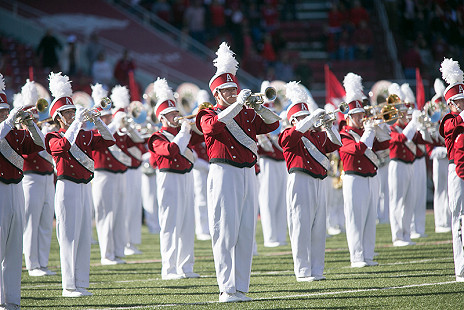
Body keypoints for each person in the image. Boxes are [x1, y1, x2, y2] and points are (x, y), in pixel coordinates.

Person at [196, 42, 280, 302]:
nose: (234, 93)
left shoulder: (245, 113)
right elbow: (211, 129)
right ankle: (226, 289)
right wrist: (237, 106)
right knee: (225, 231)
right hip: (224, 173)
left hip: (248, 173)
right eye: (229, 90)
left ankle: (241, 288)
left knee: (245, 232)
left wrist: (257, 106)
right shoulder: (206, 113)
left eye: (235, 89)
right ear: (217, 94)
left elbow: (273, 123)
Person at [45, 72, 115, 297]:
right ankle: (68, 286)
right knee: (68, 237)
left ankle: (81, 283)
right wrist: (77, 123)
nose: (71, 114)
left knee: (84, 235)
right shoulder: (52, 135)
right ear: (57, 117)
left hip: (85, 186)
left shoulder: (84, 134)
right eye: (66, 112)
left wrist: (97, 120)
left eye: (72, 111)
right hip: (67, 187)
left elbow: (108, 140)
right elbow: (63, 146)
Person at [279, 81, 341, 281]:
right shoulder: (288, 134)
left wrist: (329, 127)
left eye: (308, 116)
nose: (308, 120)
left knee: (318, 228)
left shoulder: (316, 136)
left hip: (318, 182)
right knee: (300, 226)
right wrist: (311, 117)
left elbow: (336, 143)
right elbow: (291, 138)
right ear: (294, 120)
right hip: (300, 180)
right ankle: (303, 271)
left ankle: (317, 270)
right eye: (303, 117)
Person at [148, 77, 201, 280]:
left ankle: (186, 267)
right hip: (168, 179)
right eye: (170, 114)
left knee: (188, 224)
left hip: (187, 177)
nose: (175, 116)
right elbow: (171, 150)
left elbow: (204, 134)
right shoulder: (157, 137)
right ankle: (169, 269)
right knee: (171, 224)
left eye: (176, 112)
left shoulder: (183, 132)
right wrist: (184, 131)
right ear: (161, 117)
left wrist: (195, 122)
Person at [0, 73, 45, 309]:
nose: (5, 114)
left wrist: (30, 123)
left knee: (14, 250)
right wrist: (8, 123)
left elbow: (39, 144)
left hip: (16, 189)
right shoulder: (5, 129)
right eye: (1, 111)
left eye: (5, 111)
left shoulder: (15, 132)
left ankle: (12, 301)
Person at [339, 73, 390, 268]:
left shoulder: (366, 132)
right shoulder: (344, 134)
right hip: (354, 179)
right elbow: (358, 150)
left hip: (371, 177)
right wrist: (369, 131)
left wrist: (382, 127)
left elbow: (384, 145)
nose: (362, 118)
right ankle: (357, 257)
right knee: (356, 220)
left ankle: (368, 255)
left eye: (362, 114)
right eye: (357, 115)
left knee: (370, 219)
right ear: (349, 117)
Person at [18, 80, 56, 277]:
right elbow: (28, 155)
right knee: (31, 222)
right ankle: (32, 265)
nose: (35, 117)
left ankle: (42, 263)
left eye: (36, 113)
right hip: (31, 178)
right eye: (30, 114)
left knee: (45, 221)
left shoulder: (42, 131)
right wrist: (38, 133)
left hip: (48, 177)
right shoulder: (22, 134)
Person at [90, 83, 130, 265]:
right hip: (102, 173)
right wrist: (115, 121)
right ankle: (106, 255)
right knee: (105, 214)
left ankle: (117, 251)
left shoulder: (113, 127)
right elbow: (107, 134)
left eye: (108, 116)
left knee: (119, 214)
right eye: (104, 117)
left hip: (118, 173)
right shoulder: (92, 130)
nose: (106, 119)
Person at [387, 83, 426, 247]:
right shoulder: (391, 127)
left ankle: (406, 234)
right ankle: (397, 236)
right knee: (397, 201)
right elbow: (401, 139)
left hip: (409, 165)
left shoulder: (406, 126)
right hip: (398, 165)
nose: (405, 113)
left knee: (409, 201)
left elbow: (421, 142)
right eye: (402, 110)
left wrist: (423, 126)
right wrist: (413, 124)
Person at [110, 86, 145, 256]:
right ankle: (124, 243)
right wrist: (121, 124)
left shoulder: (129, 122)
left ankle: (132, 242)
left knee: (134, 207)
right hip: (125, 169)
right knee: (126, 208)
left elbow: (139, 139)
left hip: (135, 168)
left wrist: (130, 127)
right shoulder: (114, 125)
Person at [438, 58, 464, 282]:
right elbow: (451, 130)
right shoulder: (449, 119)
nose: (463, 104)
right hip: (457, 172)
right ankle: (461, 270)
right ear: (452, 104)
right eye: (460, 102)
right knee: (460, 220)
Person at [257, 81, 287, 248]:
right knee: (268, 199)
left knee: (281, 200)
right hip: (267, 162)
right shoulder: (260, 117)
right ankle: (270, 237)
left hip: (281, 161)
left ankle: (280, 236)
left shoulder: (278, 115)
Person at [191, 90, 211, 241]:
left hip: (211, 167)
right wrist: (204, 165)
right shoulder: (193, 130)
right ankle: (202, 229)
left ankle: (210, 227)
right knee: (201, 198)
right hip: (199, 168)